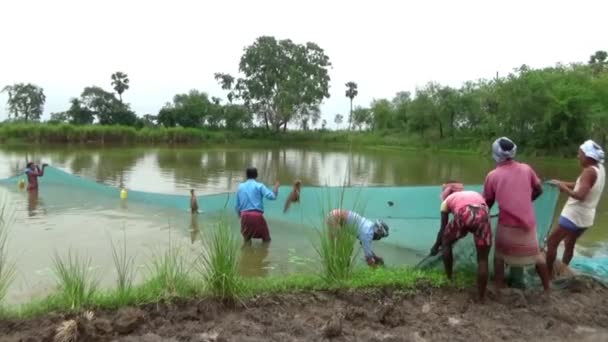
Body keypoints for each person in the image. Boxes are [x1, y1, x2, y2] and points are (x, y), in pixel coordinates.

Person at [482, 137, 551, 293]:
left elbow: (487, 202)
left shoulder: (492, 175)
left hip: (507, 225)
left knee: (499, 257)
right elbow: (539, 189)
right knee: (537, 257)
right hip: (528, 224)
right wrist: (526, 200)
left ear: (495, 154)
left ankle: (499, 287)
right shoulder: (526, 169)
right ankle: (547, 289)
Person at [545, 140, 605, 278]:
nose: (578, 156)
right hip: (586, 217)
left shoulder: (589, 172)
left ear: (588, 156)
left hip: (573, 216)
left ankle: (548, 275)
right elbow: (582, 185)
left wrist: (563, 188)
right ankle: (563, 270)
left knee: (552, 242)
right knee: (569, 243)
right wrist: (561, 182)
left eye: (580, 153)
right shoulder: (599, 168)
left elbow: (580, 195)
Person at [430, 182, 492, 301]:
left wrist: (436, 246)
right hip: (483, 213)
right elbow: (483, 206)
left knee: (446, 242)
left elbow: (443, 229)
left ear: (447, 193)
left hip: (464, 213)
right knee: (483, 259)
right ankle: (481, 297)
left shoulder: (447, 201)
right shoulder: (473, 193)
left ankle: (449, 278)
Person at [235, 167, 279, 243]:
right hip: (257, 217)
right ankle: (264, 253)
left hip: (244, 216)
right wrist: (276, 188)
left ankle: (246, 254)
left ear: (246, 175)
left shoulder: (240, 187)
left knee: (247, 240)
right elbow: (272, 197)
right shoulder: (260, 186)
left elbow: (237, 206)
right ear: (256, 175)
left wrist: (240, 216)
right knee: (266, 240)